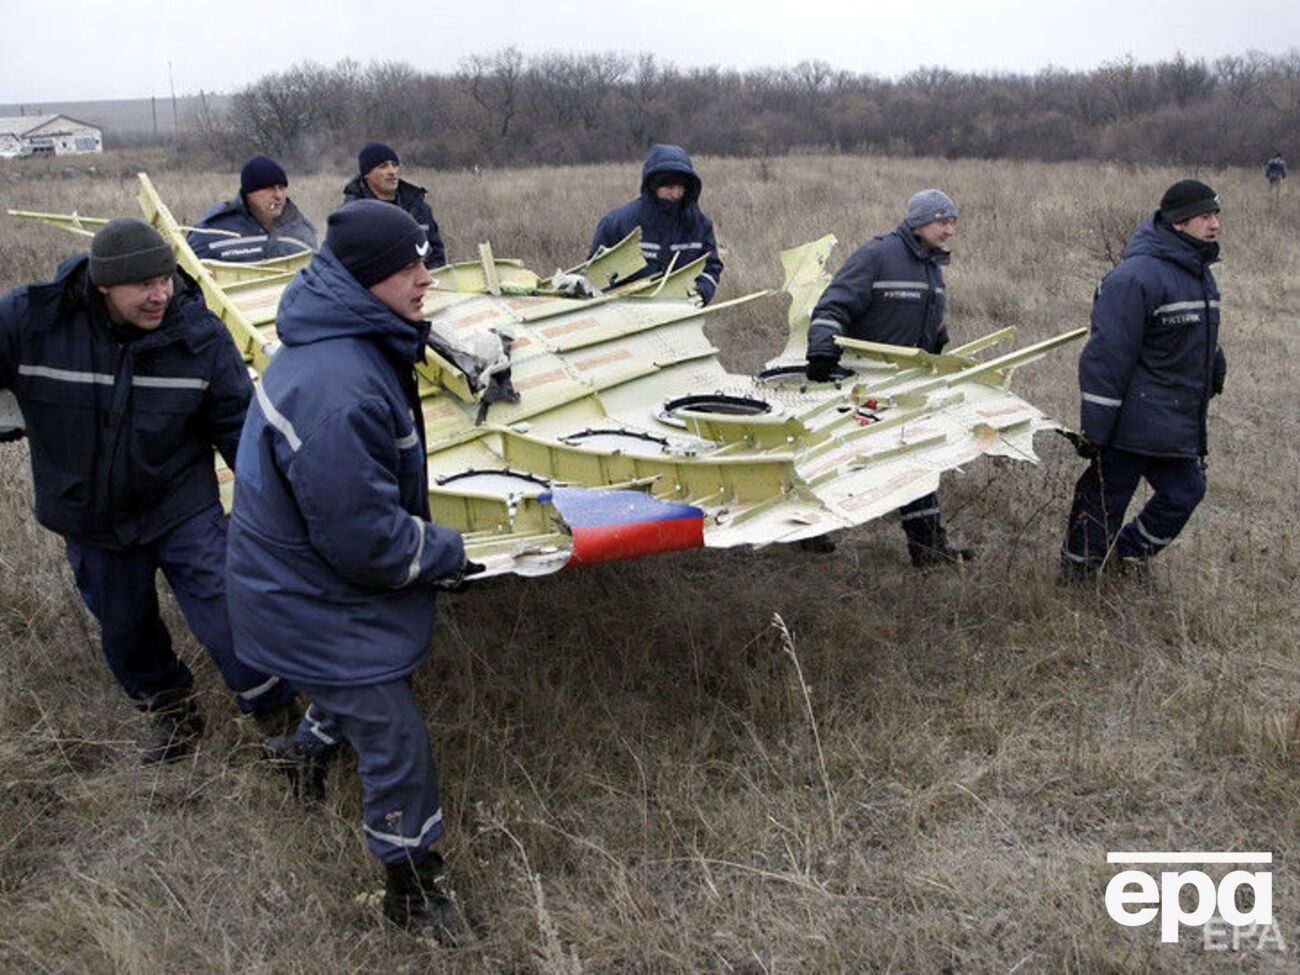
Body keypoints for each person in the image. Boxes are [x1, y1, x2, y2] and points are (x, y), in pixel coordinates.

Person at [225, 200, 481, 942]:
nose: (425, 278)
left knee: (360, 677)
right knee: (393, 730)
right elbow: (366, 542)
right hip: (300, 591)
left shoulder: (345, 340)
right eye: (407, 267)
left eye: (423, 261)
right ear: (365, 278)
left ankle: (302, 753)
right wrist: (447, 551)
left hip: (292, 571)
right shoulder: (341, 387)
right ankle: (412, 887)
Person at [0, 218, 298, 763]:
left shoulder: (197, 336)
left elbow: (240, 429)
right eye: (144, 284)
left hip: (179, 504)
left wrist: (282, 512)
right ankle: (174, 717)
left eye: (165, 280)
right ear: (103, 285)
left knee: (232, 614)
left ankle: (281, 721)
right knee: (126, 633)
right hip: (90, 516)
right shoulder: (34, 321)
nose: (160, 294)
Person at [1060, 179, 1226, 581]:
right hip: (1130, 423)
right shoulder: (1134, 278)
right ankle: (1076, 578)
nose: (1215, 224)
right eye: (1205, 216)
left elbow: (1198, 336)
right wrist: (1096, 429)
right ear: (1179, 222)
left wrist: (1215, 369)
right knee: (1103, 499)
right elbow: (1105, 358)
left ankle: (1125, 557)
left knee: (1186, 492)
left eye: (1216, 215)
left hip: (1174, 419)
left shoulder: (1198, 272)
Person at [804, 189, 974, 567]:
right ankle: (808, 529)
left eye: (953, 223)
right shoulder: (877, 255)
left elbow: (920, 314)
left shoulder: (932, 265)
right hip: (863, 383)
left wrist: (935, 341)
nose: (950, 231)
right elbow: (833, 306)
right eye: (943, 222)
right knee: (842, 459)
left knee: (916, 459)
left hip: (905, 383)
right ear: (920, 222)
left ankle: (929, 551)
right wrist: (821, 353)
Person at [588, 143, 723, 304]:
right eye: (669, 187)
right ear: (653, 185)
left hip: (681, 312)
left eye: (681, 187)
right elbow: (595, 277)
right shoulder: (616, 224)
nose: (676, 194)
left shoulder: (700, 225)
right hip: (625, 312)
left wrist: (701, 292)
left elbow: (711, 267)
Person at [187, 155, 317, 262]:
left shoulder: (300, 228)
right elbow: (186, 279)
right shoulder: (211, 232)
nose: (278, 196)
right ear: (249, 194)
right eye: (270, 189)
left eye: (282, 188)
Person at [342, 141, 446, 268]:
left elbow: (437, 257)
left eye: (395, 165)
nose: (392, 171)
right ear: (366, 174)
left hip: (421, 278)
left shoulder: (418, 207)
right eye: (383, 166)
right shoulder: (352, 214)